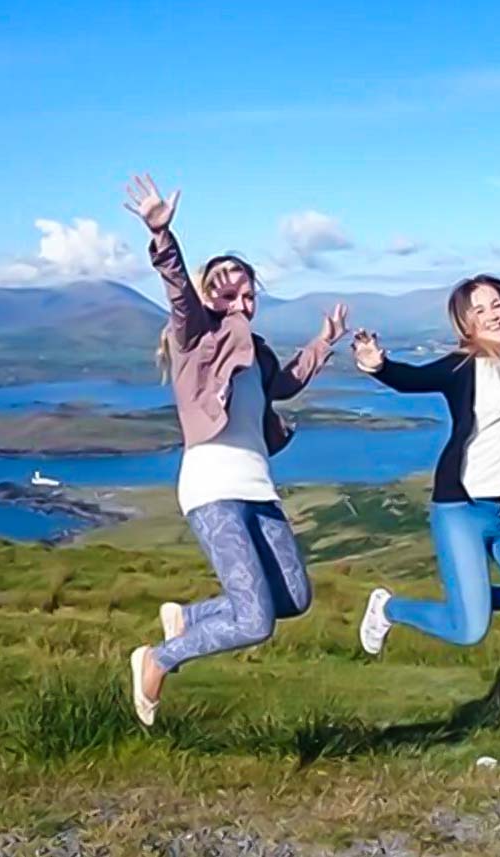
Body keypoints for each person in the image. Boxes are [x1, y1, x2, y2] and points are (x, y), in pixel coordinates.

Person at [122, 173, 348, 725]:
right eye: (229, 291)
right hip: (212, 490)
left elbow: (286, 382)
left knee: (292, 598)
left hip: (256, 490)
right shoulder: (194, 338)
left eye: (249, 292)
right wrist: (162, 237)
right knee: (254, 620)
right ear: (209, 295)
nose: (243, 300)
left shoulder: (257, 352)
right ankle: (157, 657)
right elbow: (178, 292)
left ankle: (189, 616)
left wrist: (324, 342)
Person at [351, 180, 500, 655]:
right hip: (461, 508)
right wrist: (378, 365)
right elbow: (411, 378)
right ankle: (389, 608)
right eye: (479, 310)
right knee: (468, 631)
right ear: (465, 324)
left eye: (496, 305)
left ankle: (473, 601)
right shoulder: (460, 367)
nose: (491, 314)